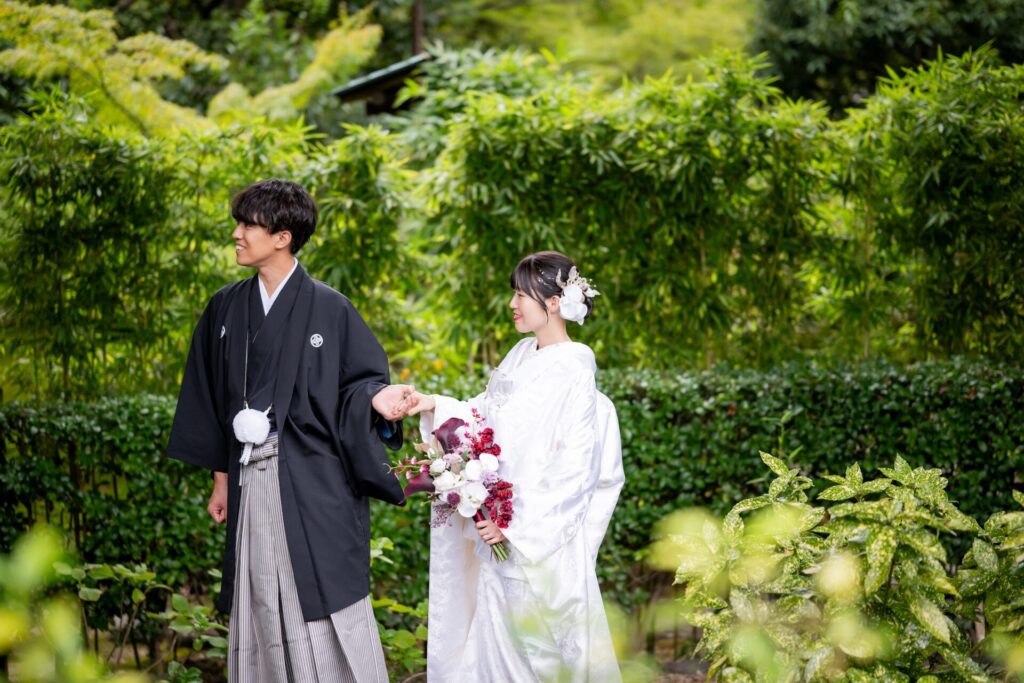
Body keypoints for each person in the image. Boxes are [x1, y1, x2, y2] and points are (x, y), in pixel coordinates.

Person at [166, 178, 415, 682]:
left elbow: (361, 382)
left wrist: (375, 398)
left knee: (321, 592)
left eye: (248, 225)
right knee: (259, 593)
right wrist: (220, 479)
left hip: (313, 481)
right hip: (248, 477)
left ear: (282, 237)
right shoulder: (224, 307)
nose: (237, 234)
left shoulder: (331, 307)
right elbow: (208, 396)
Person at [404, 250, 625, 682]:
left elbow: (576, 466)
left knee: (540, 654)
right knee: (495, 649)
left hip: (535, 534)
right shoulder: (522, 354)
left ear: (555, 302)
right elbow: (484, 414)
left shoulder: (574, 368)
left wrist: (513, 525)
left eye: (522, 295)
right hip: (497, 529)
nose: (513, 304)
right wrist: (433, 405)